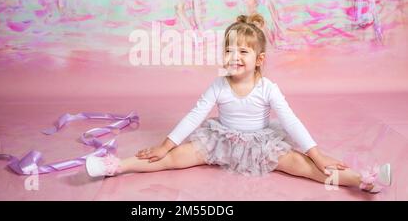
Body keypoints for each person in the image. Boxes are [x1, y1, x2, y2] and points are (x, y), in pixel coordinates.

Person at [86, 13, 392, 194]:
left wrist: (318, 154)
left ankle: (362, 179)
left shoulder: (268, 88)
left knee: (306, 167)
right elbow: (196, 115)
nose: (234, 57)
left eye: (243, 52)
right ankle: (115, 166)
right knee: (172, 159)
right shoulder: (220, 85)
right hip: (221, 141)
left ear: (258, 60)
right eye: (230, 50)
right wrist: (165, 145)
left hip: (262, 144)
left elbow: (290, 120)